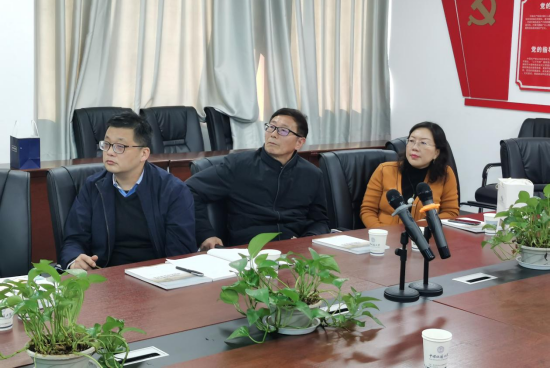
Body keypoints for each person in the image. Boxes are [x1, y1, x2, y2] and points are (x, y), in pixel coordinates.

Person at [60, 111, 196, 270]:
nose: (110, 152)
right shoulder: (93, 186)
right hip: (104, 275)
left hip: (157, 276)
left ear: (143, 154)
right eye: (107, 144)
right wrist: (75, 261)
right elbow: (74, 240)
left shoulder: (173, 191)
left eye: (120, 146)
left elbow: (180, 254)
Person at [186, 108, 330, 250]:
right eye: (271, 127)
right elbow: (189, 189)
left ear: (299, 142)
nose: (273, 134)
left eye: (283, 131)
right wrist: (205, 234)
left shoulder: (312, 174)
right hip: (249, 251)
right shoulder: (238, 165)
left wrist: (307, 240)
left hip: (295, 251)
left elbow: (320, 221)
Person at [360, 122, 459, 228]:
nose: (414, 147)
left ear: (436, 153)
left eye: (423, 143)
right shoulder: (384, 170)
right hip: (385, 234)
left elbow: (451, 212)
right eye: (411, 141)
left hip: (426, 235)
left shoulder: (445, 174)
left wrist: (422, 228)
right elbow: (368, 210)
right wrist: (382, 233)